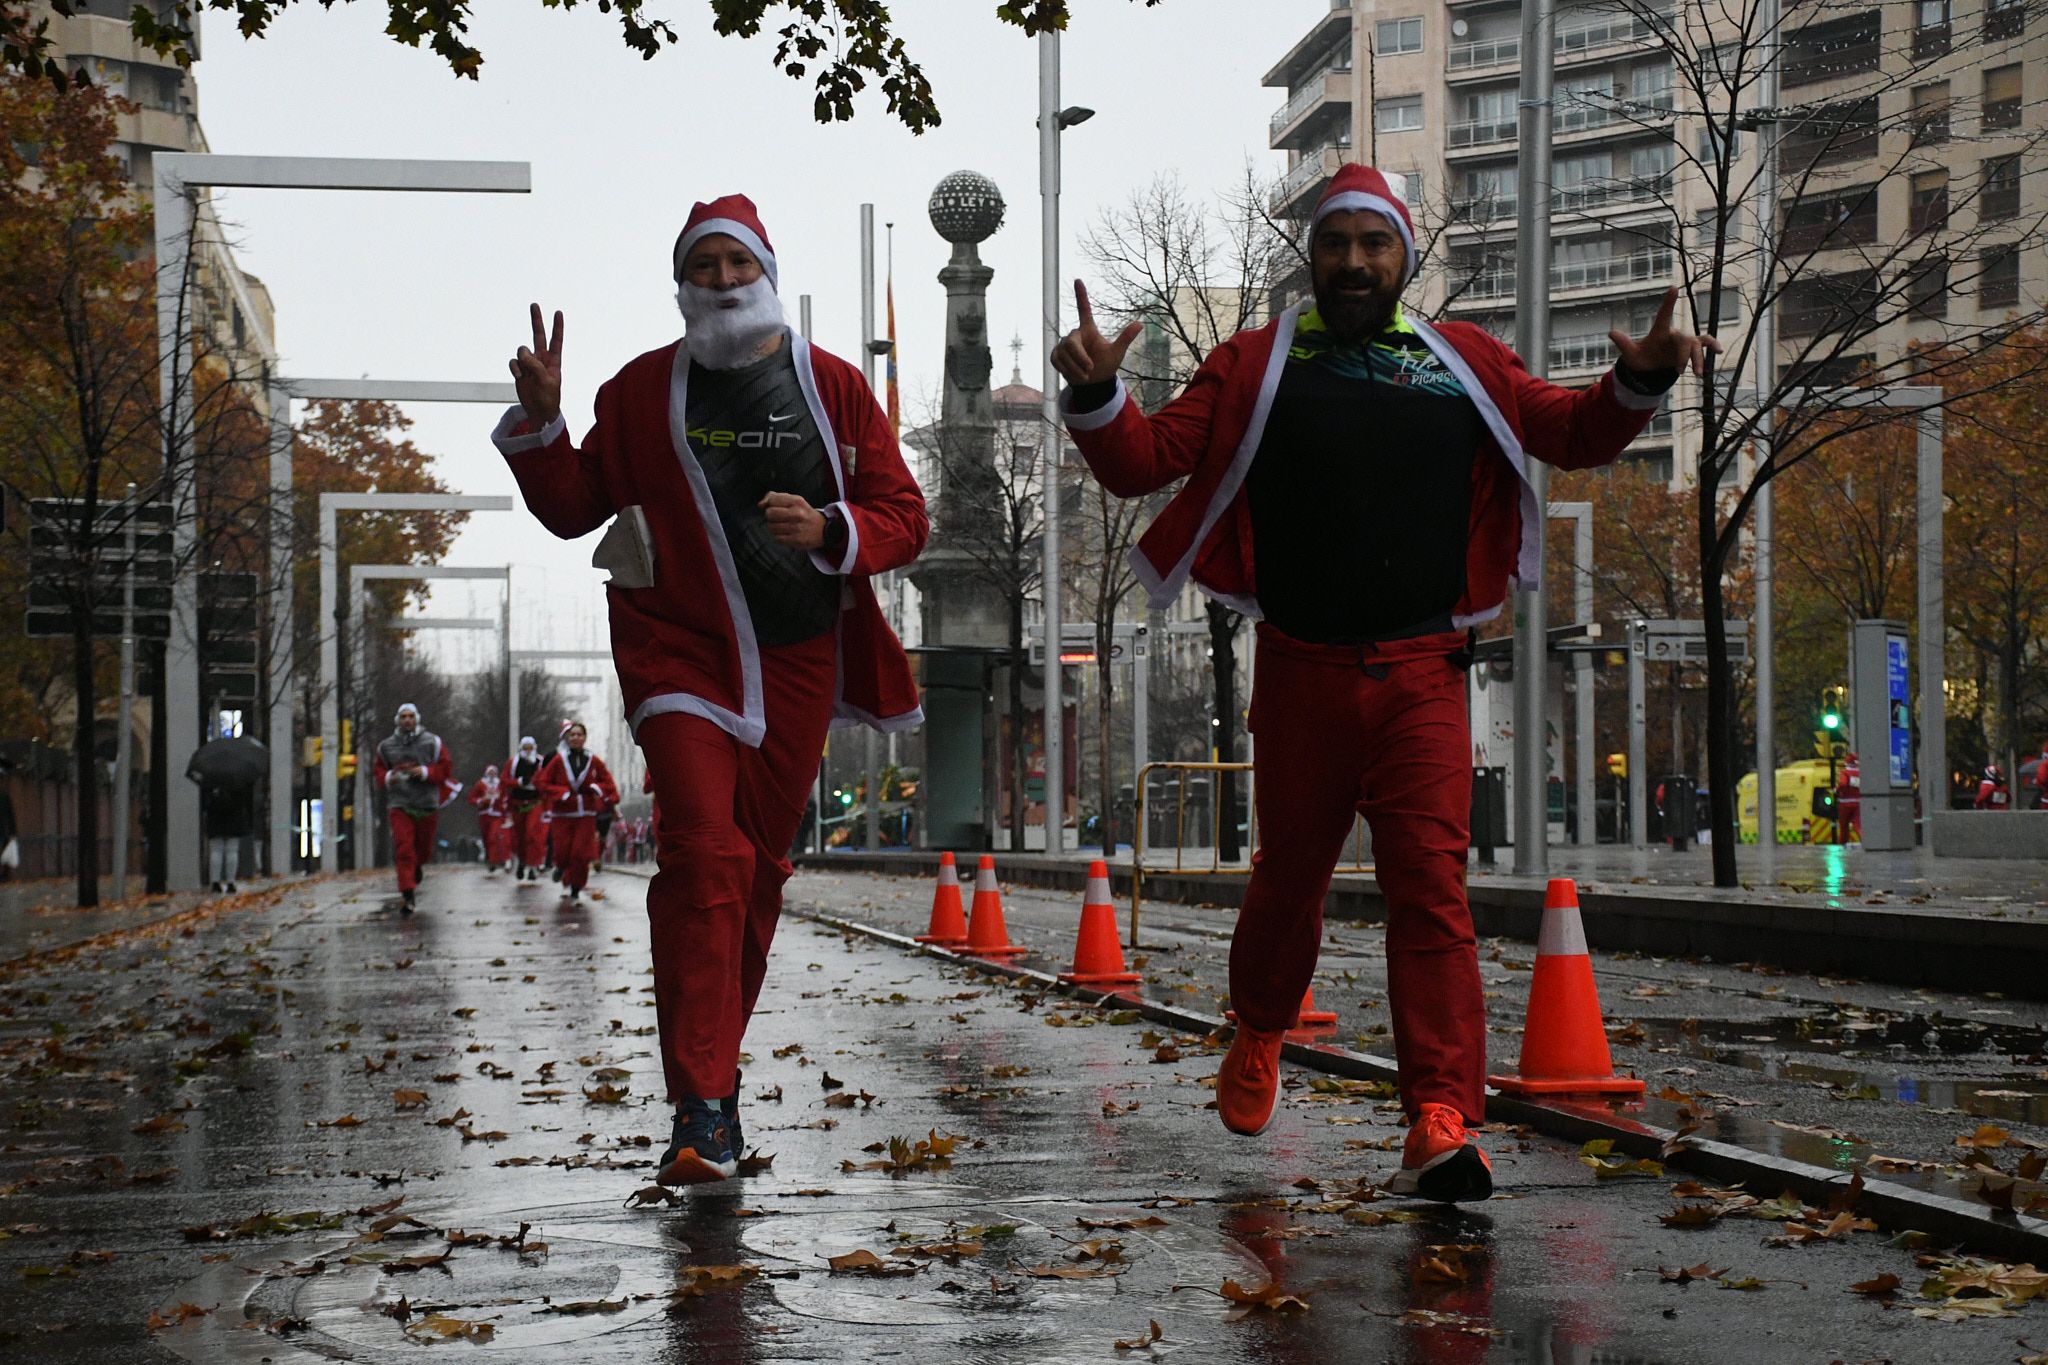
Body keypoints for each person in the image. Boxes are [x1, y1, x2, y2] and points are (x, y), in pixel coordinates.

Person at [1051, 163, 1717, 1203]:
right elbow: (1143, 461)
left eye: (1374, 243)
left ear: (1404, 255)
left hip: (1422, 675)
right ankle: (1260, 1024)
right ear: (1310, 256)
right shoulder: (1253, 362)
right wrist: (1097, 394)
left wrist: (1639, 383)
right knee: (1287, 884)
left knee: (1430, 895)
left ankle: (1440, 1118)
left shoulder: (1464, 359)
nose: (1354, 262)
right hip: (1300, 672)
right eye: (1335, 243)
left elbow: (1569, 432)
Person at [495, 192, 926, 1185]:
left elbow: (904, 514)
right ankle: (697, 1107)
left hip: (795, 662)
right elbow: (573, 507)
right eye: (704, 266)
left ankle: (715, 1089)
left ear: (766, 273)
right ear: (682, 284)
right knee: (701, 852)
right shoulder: (640, 391)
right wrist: (543, 422)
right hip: (678, 653)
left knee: (758, 872)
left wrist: (832, 528)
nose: (723, 281)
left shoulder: (833, 387)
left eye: (738, 264)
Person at [371, 703, 459, 913]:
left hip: (426, 803)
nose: (407, 720)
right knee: (403, 847)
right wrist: (389, 777)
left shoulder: (432, 742)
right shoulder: (386, 746)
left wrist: (426, 772)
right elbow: (379, 770)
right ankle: (407, 893)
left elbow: (446, 768)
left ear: (417, 719)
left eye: (411, 716)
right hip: (400, 804)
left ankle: (417, 865)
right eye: (403, 717)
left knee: (423, 848)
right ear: (398, 720)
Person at [534, 720, 618, 904]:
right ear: (567, 738)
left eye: (579, 734)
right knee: (562, 851)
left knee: (581, 854)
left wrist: (597, 788)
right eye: (572, 735)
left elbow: (609, 783)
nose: (575, 738)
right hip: (563, 814)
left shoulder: (593, 760)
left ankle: (575, 889)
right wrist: (561, 793)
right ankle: (560, 867)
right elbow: (541, 782)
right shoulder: (558, 759)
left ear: (585, 738)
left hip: (586, 814)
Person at [505, 736, 547, 880]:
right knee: (520, 837)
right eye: (525, 748)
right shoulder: (513, 763)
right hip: (517, 804)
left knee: (532, 834)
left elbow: (549, 780)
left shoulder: (541, 762)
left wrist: (539, 784)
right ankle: (522, 861)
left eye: (530, 747)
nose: (528, 750)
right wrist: (518, 782)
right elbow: (504, 781)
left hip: (535, 803)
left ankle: (533, 866)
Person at [469, 764, 511, 870]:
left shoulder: (500, 784)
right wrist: (481, 800)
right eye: (490, 773)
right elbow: (472, 798)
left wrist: (505, 812)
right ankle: (489, 857)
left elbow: (505, 798)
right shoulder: (480, 784)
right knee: (486, 837)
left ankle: (494, 860)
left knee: (494, 836)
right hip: (484, 814)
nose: (492, 775)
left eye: (493, 773)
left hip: (497, 815)